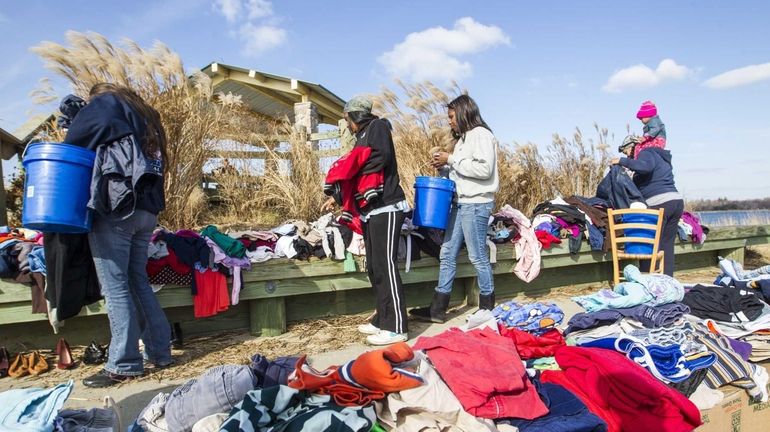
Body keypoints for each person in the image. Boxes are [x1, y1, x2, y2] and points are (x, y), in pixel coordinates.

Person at [64, 83, 173, 387]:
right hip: (146, 212)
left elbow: (73, 143)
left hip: (117, 209)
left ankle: (123, 363)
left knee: (116, 287)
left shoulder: (106, 104)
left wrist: (76, 120)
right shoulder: (146, 116)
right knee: (137, 281)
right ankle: (161, 352)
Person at [323, 95, 410, 345]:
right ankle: (383, 319)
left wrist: (349, 168)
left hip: (388, 205)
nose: (347, 123)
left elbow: (380, 157)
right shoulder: (361, 135)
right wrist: (338, 197)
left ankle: (397, 326)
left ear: (354, 116)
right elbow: (359, 167)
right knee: (373, 266)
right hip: (370, 209)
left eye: (346, 118)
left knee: (386, 265)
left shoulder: (379, 126)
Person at [409, 95, 499, 323]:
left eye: (451, 116)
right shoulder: (463, 140)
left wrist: (451, 159)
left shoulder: (481, 135)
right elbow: (461, 172)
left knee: (477, 256)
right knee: (446, 253)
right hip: (461, 202)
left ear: (463, 113)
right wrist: (444, 167)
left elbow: (484, 170)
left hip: (477, 203)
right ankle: (437, 309)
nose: (449, 121)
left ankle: (488, 308)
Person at [612, 135, 684, 276]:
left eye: (626, 151)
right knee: (666, 246)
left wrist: (621, 161)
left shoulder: (646, 153)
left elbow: (645, 167)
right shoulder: (658, 156)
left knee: (649, 244)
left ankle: (647, 280)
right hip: (675, 202)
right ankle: (667, 280)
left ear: (633, 146)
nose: (627, 155)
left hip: (660, 203)